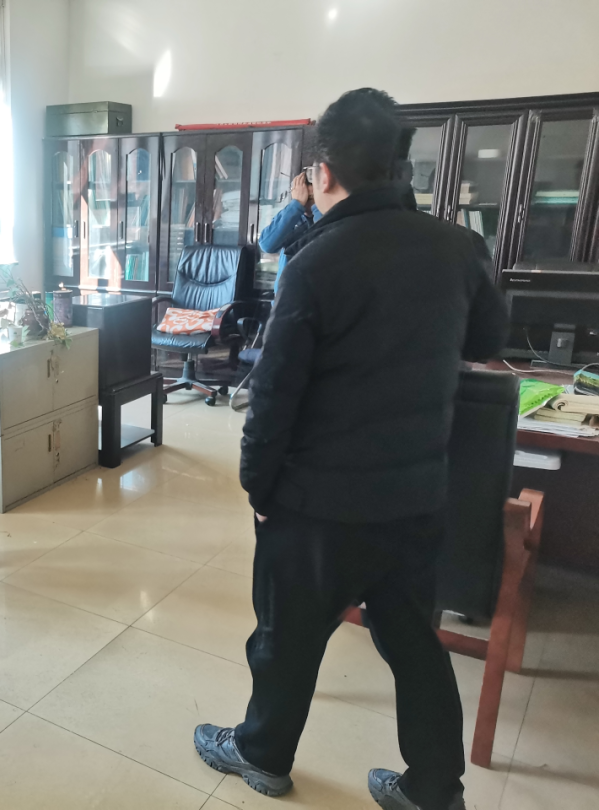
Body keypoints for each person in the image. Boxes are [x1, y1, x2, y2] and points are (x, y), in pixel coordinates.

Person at [192, 90, 509, 810]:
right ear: (399, 167)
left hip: (318, 506)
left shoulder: (315, 260)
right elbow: (488, 341)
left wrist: (259, 489)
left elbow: (274, 396)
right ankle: (434, 790)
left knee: (286, 639)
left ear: (324, 171)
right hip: (415, 499)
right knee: (414, 646)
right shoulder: (457, 247)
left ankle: (262, 754)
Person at [258, 171, 321, 293]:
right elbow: (266, 244)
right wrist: (296, 205)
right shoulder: (292, 216)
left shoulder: (327, 216)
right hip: (285, 297)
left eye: (310, 197)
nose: (306, 202)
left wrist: (316, 205)